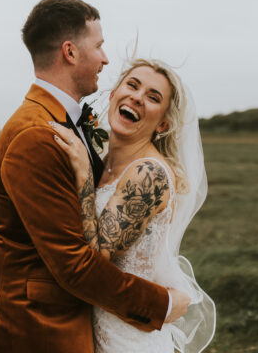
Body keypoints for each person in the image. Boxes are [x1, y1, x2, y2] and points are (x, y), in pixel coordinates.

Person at [0, 0, 191, 353]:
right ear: (70, 52)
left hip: (88, 326)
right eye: (99, 46)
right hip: (31, 327)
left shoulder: (63, 126)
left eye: (151, 96)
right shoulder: (38, 135)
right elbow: (75, 265)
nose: (105, 58)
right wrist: (160, 305)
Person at [51, 58, 216, 352]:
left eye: (153, 97)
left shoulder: (148, 174)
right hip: (91, 326)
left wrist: (85, 180)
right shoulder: (103, 161)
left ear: (163, 123)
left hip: (126, 338)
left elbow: (94, 258)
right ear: (113, 94)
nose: (137, 97)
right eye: (132, 85)